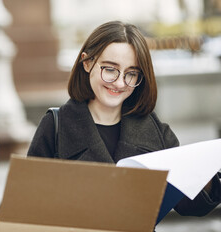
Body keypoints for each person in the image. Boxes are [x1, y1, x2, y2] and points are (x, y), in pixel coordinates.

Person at [27, 21, 221, 221]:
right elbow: (27, 206)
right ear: (86, 63)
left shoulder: (153, 128)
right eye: (110, 69)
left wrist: (204, 173)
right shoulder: (55, 126)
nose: (120, 83)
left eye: (131, 73)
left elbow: (190, 204)